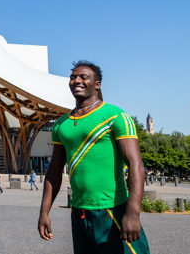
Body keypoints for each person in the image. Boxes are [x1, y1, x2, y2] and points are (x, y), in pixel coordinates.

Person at [38, 61, 151, 254]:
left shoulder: (115, 116)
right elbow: (54, 171)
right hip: (79, 212)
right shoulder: (61, 125)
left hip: (112, 209)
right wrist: (44, 212)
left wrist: (133, 213)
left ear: (97, 84)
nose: (77, 80)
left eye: (83, 77)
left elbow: (136, 165)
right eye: (73, 77)